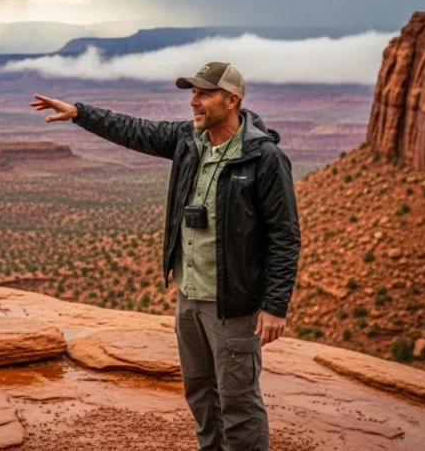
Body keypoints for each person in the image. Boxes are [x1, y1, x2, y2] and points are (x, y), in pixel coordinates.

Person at [32, 61, 301, 451]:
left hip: (232, 304)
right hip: (189, 296)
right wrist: (80, 113)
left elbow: (285, 236)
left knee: (238, 403)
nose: (193, 102)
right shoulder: (188, 140)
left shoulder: (264, 159)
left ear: (232, 100)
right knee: (200, 394)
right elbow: (134, 130)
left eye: (203, 94)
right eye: (192, 93)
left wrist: (275, 305)